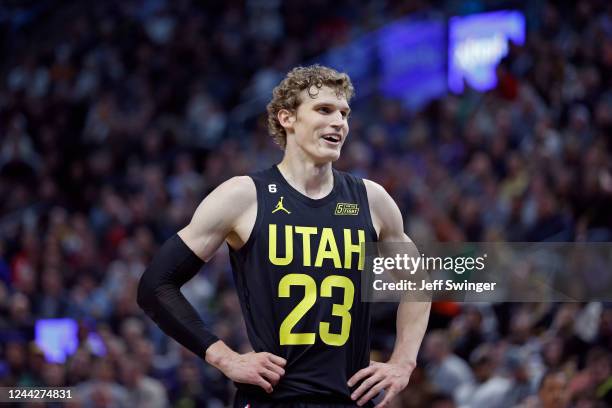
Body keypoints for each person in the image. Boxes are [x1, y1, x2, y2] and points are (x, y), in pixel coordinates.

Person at [137, 64, 430, 408]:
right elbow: (155, 285)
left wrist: (403, 362)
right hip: (272, 399)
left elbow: (418, 283)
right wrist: (225, 358)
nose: (339, 122)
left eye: (344, 113)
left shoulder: (372, 199)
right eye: (324, 110)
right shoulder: (243, 196)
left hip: (347, 399)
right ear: (287, 119)